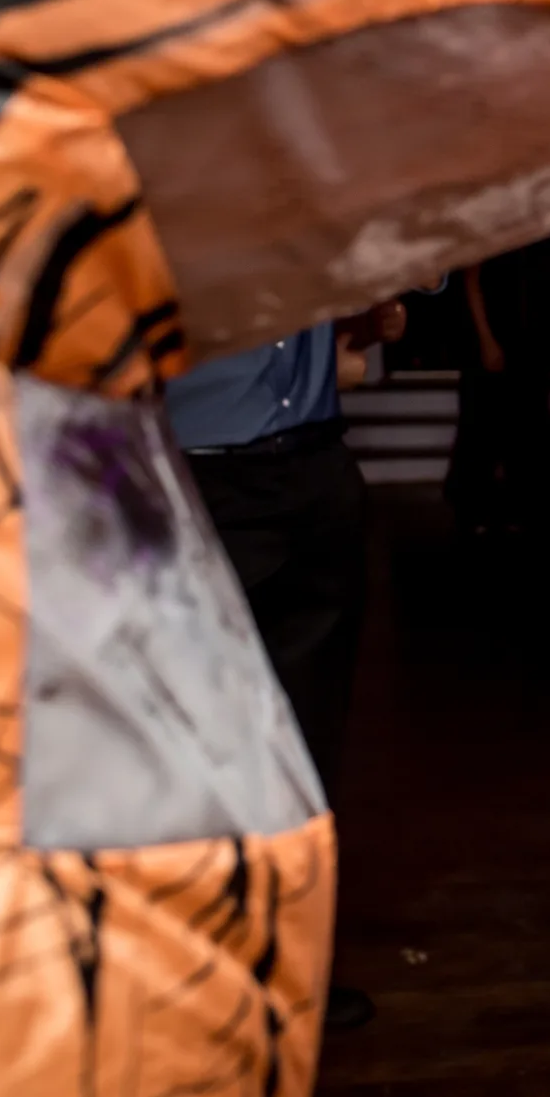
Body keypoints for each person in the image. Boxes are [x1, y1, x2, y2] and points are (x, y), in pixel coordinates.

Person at [166, 304, 403, 1032]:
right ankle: (189, 977)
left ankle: (290, 970)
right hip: (194, 480)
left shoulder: (302, 199)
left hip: (313, 469)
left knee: (305, 746)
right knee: (192, 748)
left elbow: (413, 267)